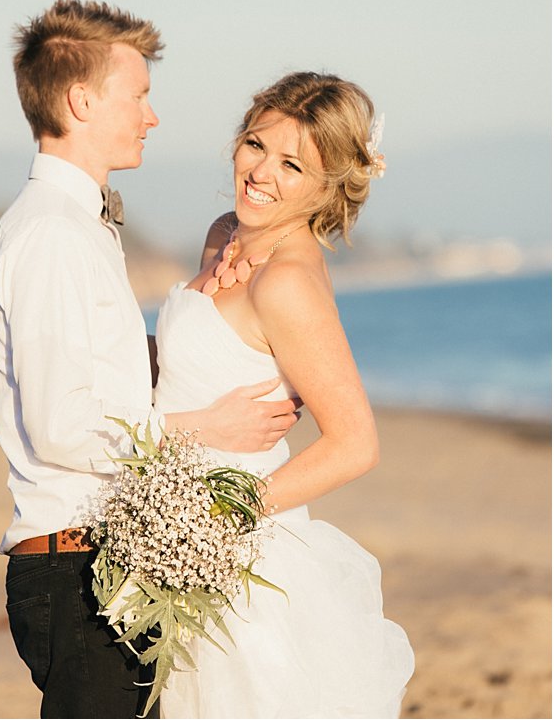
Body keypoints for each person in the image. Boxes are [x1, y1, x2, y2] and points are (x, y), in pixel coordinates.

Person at [0, 0, 300, 719]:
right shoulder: (53, 235)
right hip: (75, 571)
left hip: (96, 560)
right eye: (140, 95)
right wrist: (202, 426)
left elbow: (95, 376)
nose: (152, 117)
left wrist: (205, 338)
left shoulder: (76, 227)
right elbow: (61, 424)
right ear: (81, 100)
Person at [153, 71, 415, 718]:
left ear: (326, 186)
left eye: (292, 164)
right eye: (255, 144)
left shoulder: (288, 281)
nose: (261, 172)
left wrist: (221, 521)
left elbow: (355, 443)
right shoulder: (226, 234)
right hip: (168, 525)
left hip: (235, 554)